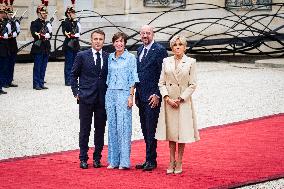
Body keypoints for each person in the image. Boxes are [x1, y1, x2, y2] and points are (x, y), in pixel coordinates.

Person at [155, 35, 200, 174]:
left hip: (183, 102)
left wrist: (180, 99)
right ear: (172, 47)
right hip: (169, 101)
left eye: (180, 44)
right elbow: (161, 82)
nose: (178, 47)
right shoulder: (166, 61)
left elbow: (193, 84)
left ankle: (179, 161)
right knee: (172, 133)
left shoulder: (191, 62)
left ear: (185, 47)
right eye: (175, 45)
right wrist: (167, 98)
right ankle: (171, 160)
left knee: (182, 132)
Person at [70, 29, 108, 169]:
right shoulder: (82, 55)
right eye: (95, 39)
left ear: (104, 41)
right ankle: (83, 158)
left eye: (100, 39)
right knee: (85, 129)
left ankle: (97, 158)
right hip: (86, 97)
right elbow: (73, 75)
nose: (98, 42)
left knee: (100, 129)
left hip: (102, 99)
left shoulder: (108, 56)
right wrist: (76, 92)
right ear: (91, 40)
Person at [135, 25, 168, 171]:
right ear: (140, 35)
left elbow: (164, 74)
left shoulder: (160, 50)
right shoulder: (139, 50)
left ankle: (151, 160)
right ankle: (148, 159)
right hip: (141, 97)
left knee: (151, 129)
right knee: (144, 128)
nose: (145, 36)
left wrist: (157, 94)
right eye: (143, 33)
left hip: (152, 97)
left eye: (148, 33)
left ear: (153, 34)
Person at [105, 32, 139, 170]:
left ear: (125, 43)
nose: (119, 44)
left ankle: (124, 161)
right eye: (117, 41)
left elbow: (133, 78)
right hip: (110, 93)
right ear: (113, 43)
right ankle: (113, 160)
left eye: (121, 41)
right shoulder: (110, 57)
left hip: (124, 93)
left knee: (123, 128)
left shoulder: (131, 58)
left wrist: (131, 96)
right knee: (112, 127)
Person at [30, 3, 52, 90]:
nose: (45, 14)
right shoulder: (34, 23)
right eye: (43, 13)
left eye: (46, 13)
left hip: (46, 47)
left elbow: (51, 35)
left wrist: (49, 34)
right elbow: (34, 34)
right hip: (38, 47)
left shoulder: (47, 23)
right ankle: (36, 84)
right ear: (39, 13)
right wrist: (43, 35)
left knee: (43, 66)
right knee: (37, 66)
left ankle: (41, 82)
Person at [62, 5, 81, 86]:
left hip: (75, 45)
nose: (74, 14)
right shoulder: (65, 22)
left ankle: (74, 79)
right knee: (69, 63)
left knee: (75, 63)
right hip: (69, 45)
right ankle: (68, 80)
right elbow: (65, 32)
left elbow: (79, 32)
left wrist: (77, 23)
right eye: (72, 13)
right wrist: (72, 34)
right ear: (68, 13)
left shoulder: (76, 22)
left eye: (74, 13)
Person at [4, 3, 20, 88]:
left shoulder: (13, 22)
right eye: (9, 14)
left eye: (11, 14)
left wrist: (17, 31)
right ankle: (5, 81)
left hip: (13, 45)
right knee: (6, 65)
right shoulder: (4, 22)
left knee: (11, 65)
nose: (10, 15)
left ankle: (10, 80)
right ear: (6, 14)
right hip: (6, 46)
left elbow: (17, 32)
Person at [0, 3, 11, 95]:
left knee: (3, 68)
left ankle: (0, 86)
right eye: (1, 12)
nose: (3, 14)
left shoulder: (4, 22)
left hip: (4, 49)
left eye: (3, 12)